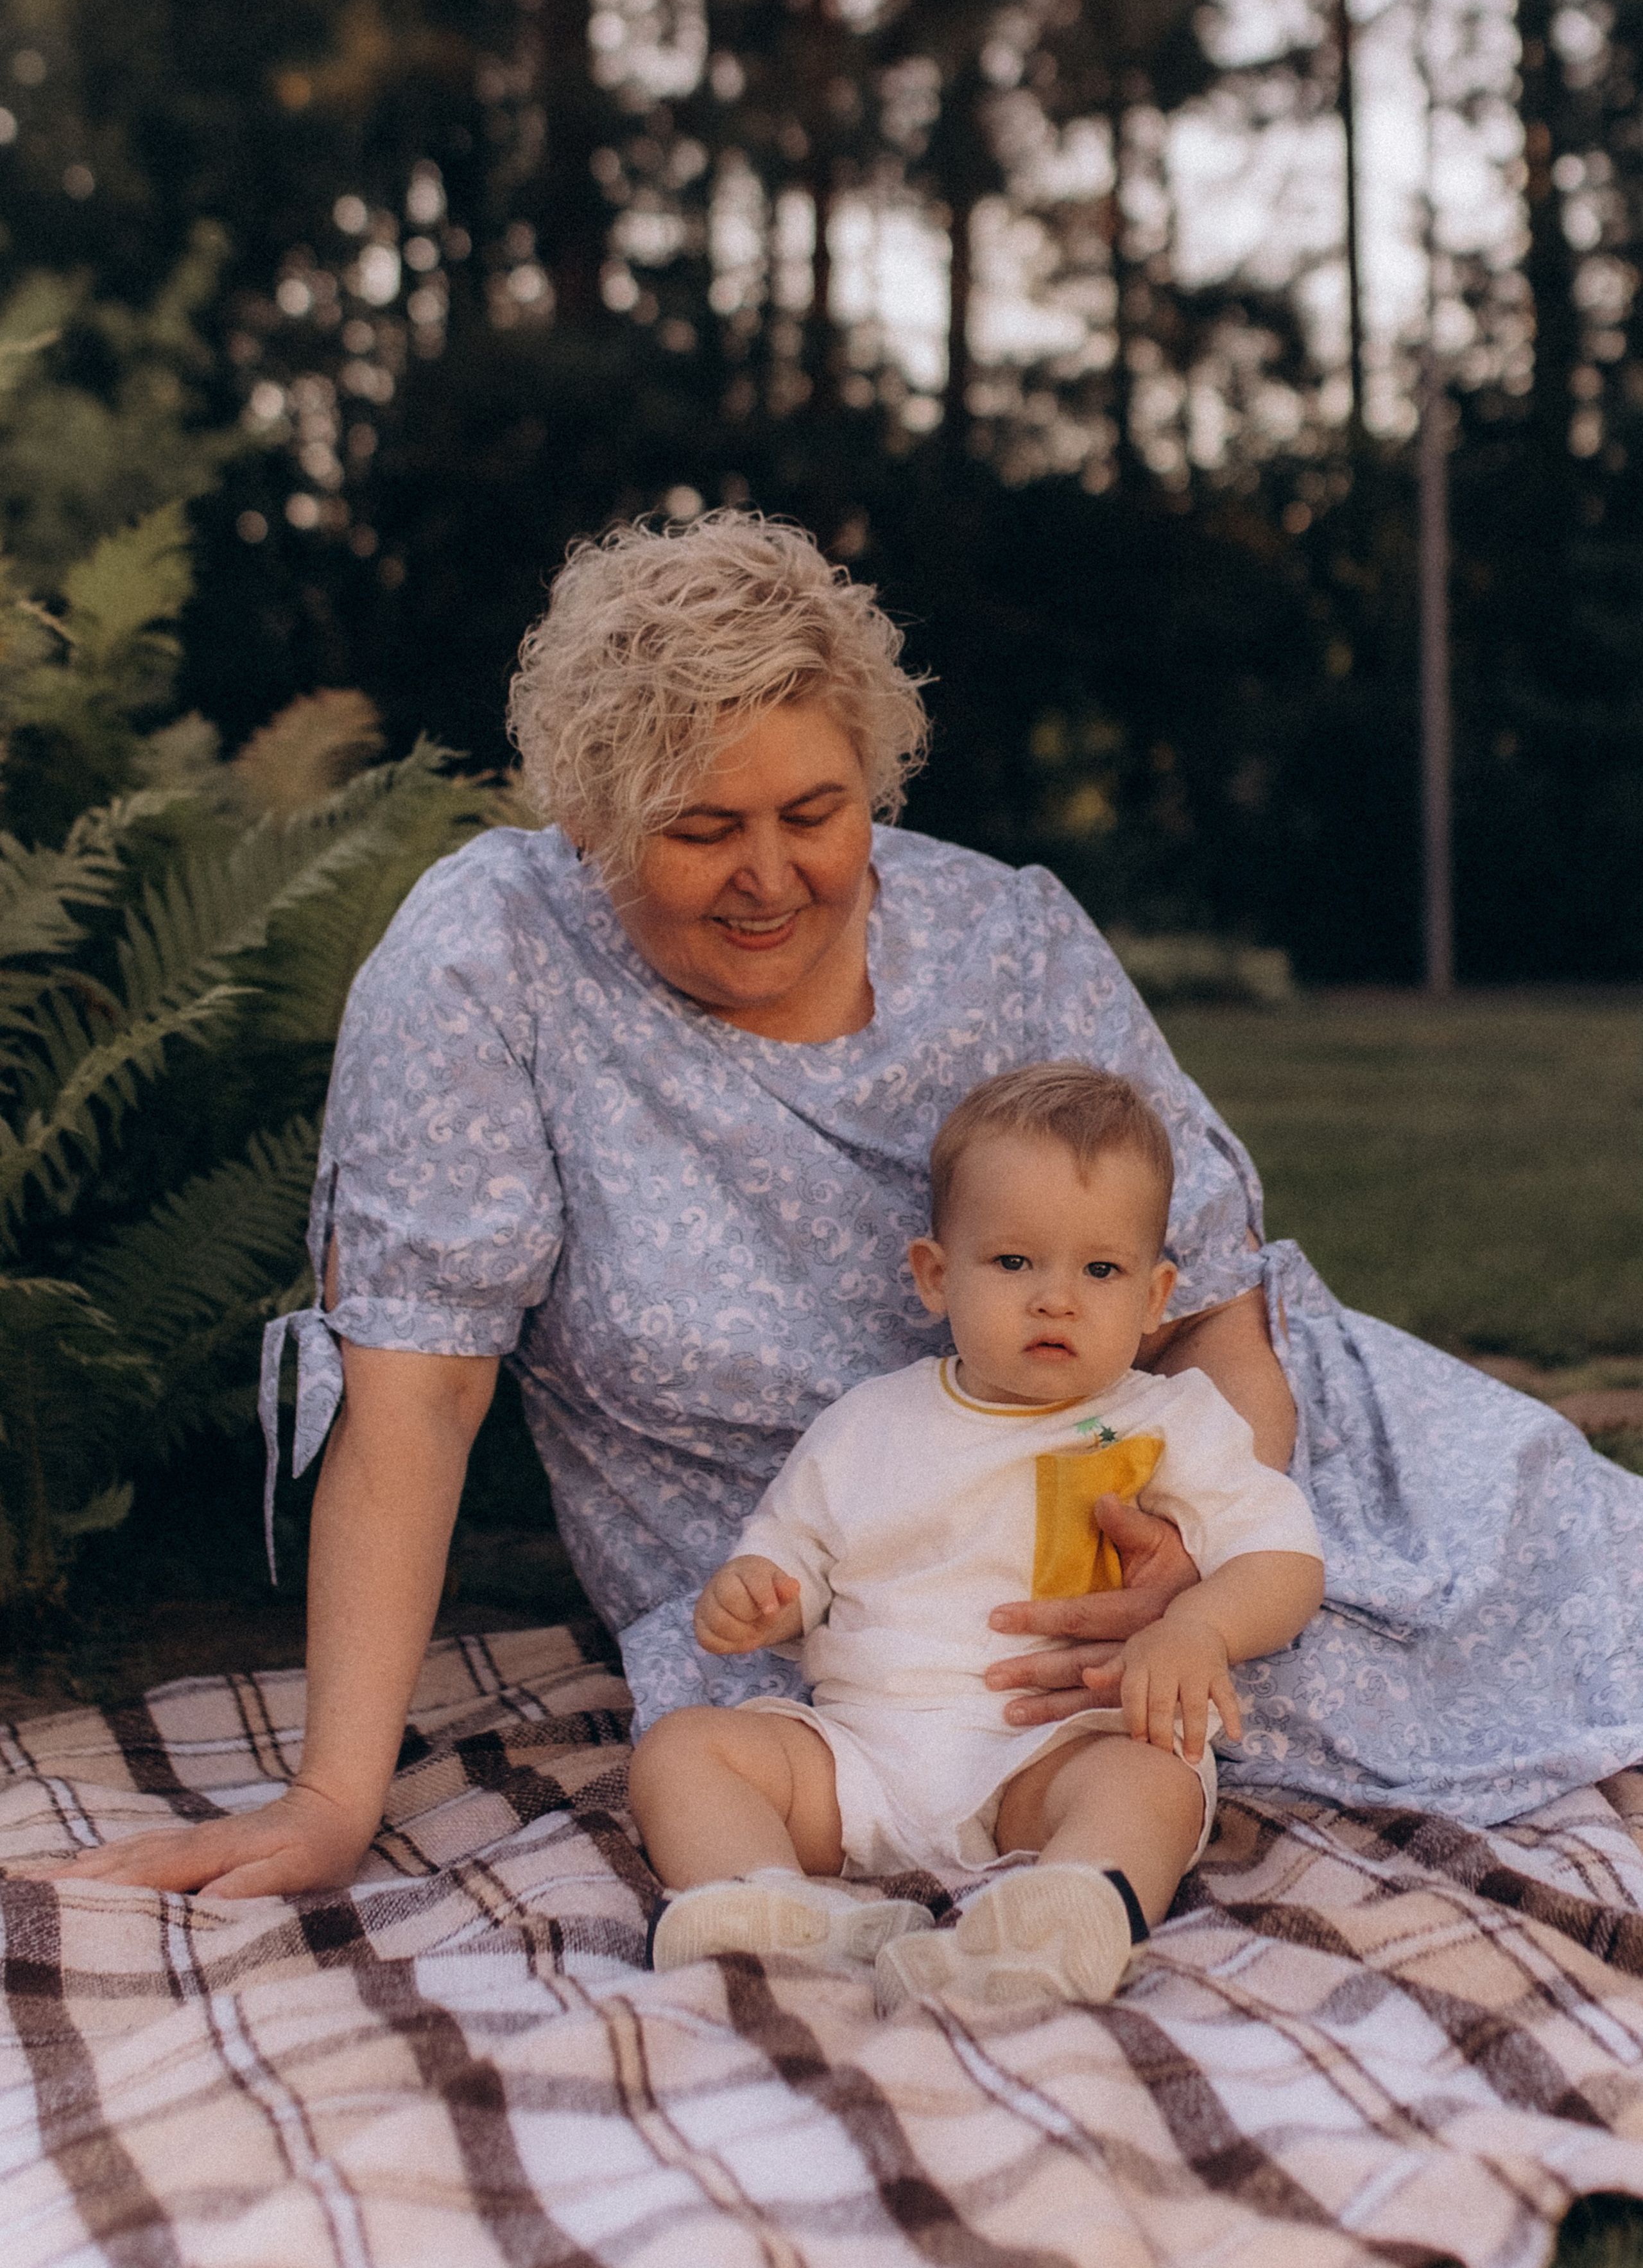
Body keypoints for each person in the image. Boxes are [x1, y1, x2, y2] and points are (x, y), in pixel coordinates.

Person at [39, 508, 1643, 1901]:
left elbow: (1219, 1308)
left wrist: (1184, 1564)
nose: (770, 875)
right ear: (587, 821)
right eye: (697, 828)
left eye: (815, 814)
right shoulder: (484, 968)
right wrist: (332, 1803)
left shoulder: (1002, 938)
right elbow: (420, 1397)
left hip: (1184, 1502)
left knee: (1578, 1603)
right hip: (846, 1615)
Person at [632, 1064, 1325, 2009]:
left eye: (1101, 1270)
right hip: (857, 1753)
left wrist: (1201, 1628)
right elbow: (790, 1546)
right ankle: (768, 1909)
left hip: (1044, 1756)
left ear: (1157, 1297)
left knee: (1152, 1773)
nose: (1056, 1299)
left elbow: (1281, 1557)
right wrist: (759, 1589)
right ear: (934, 1275)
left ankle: (1070, 1913)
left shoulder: (1166, 1422)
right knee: (683, 1751)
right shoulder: (868, 1423)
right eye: (1013, 1263)